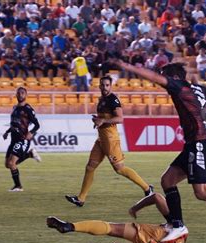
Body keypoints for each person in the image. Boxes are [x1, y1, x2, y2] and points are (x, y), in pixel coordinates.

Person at [110, 60, 206, 241]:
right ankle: (177, 225)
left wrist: (127, 67)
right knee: (167, 180)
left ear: (173, 77)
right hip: (197, 142)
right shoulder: (197, 89)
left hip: (200, 142)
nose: (163, 79)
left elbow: (154, 77)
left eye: (166, 76)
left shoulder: (179, 87)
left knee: (203, 192)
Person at [65, 76, 153, 207]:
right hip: (101, 140)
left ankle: (147, 189)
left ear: (110, 86)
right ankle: (81, 199)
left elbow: (120, 118)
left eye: (107, 85)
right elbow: (104, 118)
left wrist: (103, 121)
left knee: (119, 169)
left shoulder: (113, 100)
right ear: (99, 86)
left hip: (111, 140)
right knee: (90, 167)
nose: (105, 88)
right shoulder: (101, 100)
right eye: (103, 85)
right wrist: (98, 120)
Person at [47, 193, 186, 243]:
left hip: (163, 232)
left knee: (110, 228)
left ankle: (70, 226)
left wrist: (135, 208)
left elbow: (156, 197)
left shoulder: (179, 229)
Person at [3, 87, 41, 192]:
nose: (20, 95)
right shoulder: (15, 108)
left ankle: (18, 186)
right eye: (18, 93)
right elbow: (14, 124)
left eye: (22, 93)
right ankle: (30, 154)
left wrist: (31, 132)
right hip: (13, 139)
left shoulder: (28, 109)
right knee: (7, 164)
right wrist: (7, 132)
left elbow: (37, 125)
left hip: (22, 139)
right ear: (16, 94)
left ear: (26, 95)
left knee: (11, 163)